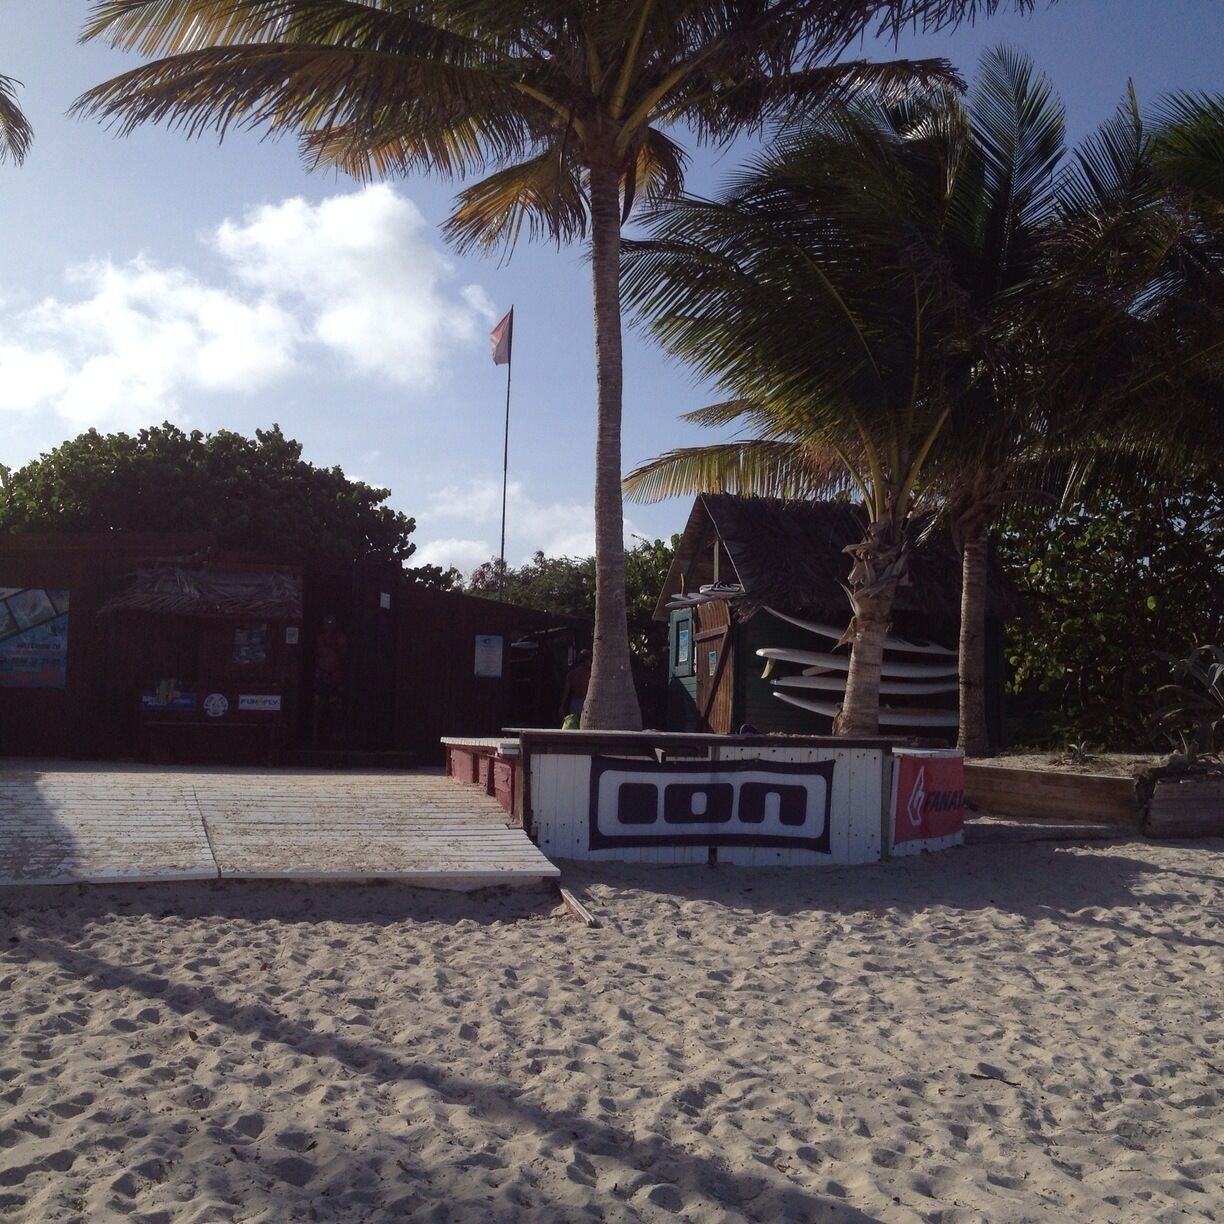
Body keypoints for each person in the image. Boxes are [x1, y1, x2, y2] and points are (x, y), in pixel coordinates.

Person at [312, 614, 347, 747]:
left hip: (335, 674)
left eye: (331, 623)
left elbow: (343, 655)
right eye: (327, 623)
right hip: (321, 674)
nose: (329, 626)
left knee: (335, 705)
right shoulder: (319, 638)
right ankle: (315, 736)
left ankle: (335, 735)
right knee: (317, 705)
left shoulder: (339, 638)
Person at [558, 648, 592, 727]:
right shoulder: (591, 675)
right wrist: (562, 706)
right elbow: (566, 692)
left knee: (575, 725)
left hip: (576, 703)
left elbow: (566, 692)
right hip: (584, 702)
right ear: (587, 660)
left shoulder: (572, 674)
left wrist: (562, 706)